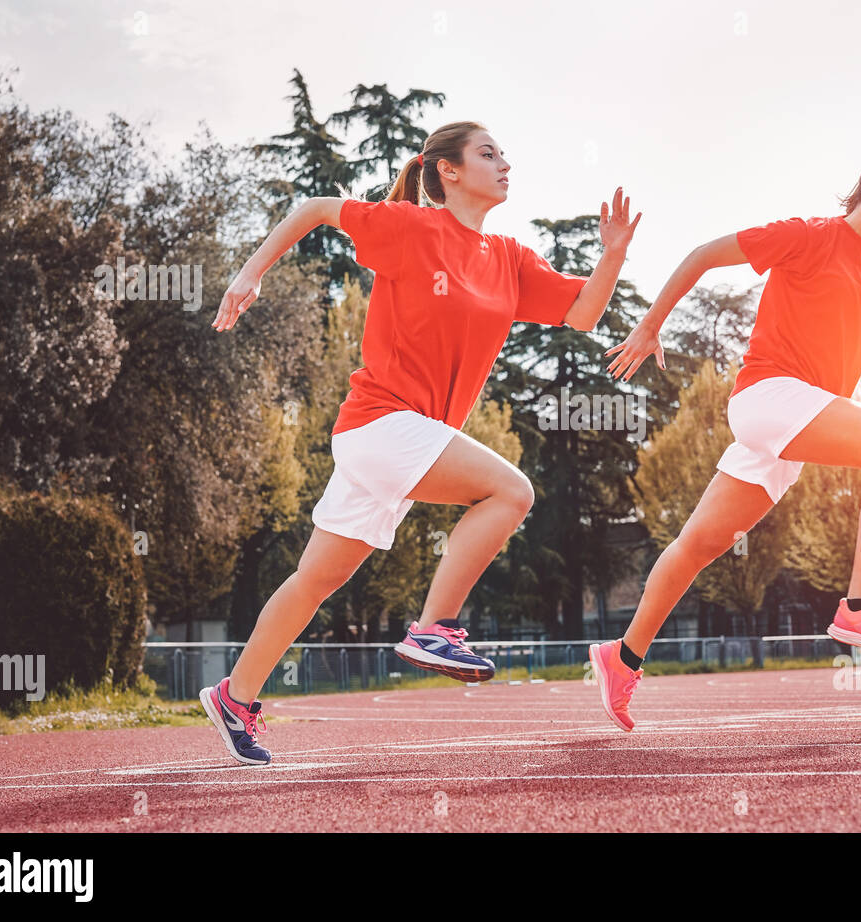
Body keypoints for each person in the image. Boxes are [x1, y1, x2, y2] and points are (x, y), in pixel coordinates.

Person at [199, 121, 641, 764]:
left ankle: (235, 698)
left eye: (504, 154)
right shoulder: (410, 228)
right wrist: (249, 274)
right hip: (381, 422)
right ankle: (435, 627)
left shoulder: (509, 258)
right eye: (488, 154)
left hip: (398, 439)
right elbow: (314, 209)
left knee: (315, 579)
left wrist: (613, 256)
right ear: (449, 171)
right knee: (510, 491)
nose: (504, 163)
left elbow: (582, 314)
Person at [589, 137, 861, 731]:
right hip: (767, 397)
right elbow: (704, 254)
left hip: (795, 418)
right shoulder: (807, 236)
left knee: (697, 547)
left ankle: (621, 657)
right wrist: (650, 326)